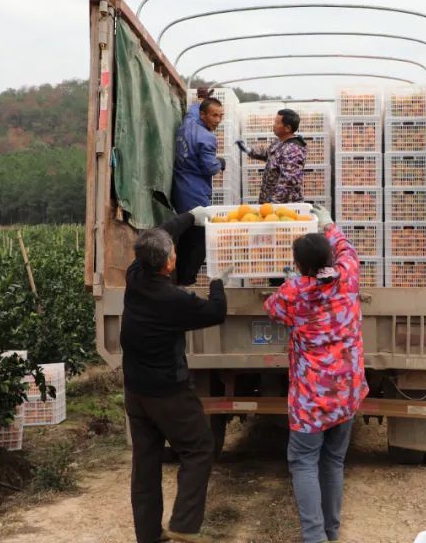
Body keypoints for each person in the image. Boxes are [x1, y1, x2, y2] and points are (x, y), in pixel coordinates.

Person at [121, 206, 231, 543]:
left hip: (135, 390)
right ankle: (184, 525)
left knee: (146, 464)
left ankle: (149, 536)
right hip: (167, 391)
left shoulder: (134, 276)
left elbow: (158, 234)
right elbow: (216, 312)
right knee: (199, 447)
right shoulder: (173, 299)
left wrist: (190, 217)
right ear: (169, 263)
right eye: (174, 253)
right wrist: (217, 282)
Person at [264, 204, 368, 543]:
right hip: (347, 394)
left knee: (304, 461)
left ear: (299, 266)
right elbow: (347, 250)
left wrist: (292, 280)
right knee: (334, 461)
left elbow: (272, 309)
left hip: (312, 399)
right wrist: (329, 224)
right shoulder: (349, 275)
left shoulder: (295, 292)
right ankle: (330, 533)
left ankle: (314, 538)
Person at [171, 93, 227, 285]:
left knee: (185, 232)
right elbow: (210, 168)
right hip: (194, 191)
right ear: (204, 115)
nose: (218, 120)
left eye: (221, 116)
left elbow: (193, 110)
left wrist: (201, 99)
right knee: (200, 237)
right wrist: (220, 162)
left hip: (180, 186)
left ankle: (179, 276)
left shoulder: (189, 122)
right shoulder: (207, 138)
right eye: (214, 116)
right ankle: (187, 279)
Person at [236, 108, 307, 204]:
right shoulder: (280, 142)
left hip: (284, 207)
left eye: (277, 123)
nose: (274, 125)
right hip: (270, 203)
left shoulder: (293, 150)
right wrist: (248, 150)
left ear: (287, 128)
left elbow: (288, 181)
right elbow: (268, 153)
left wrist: (273, 204)